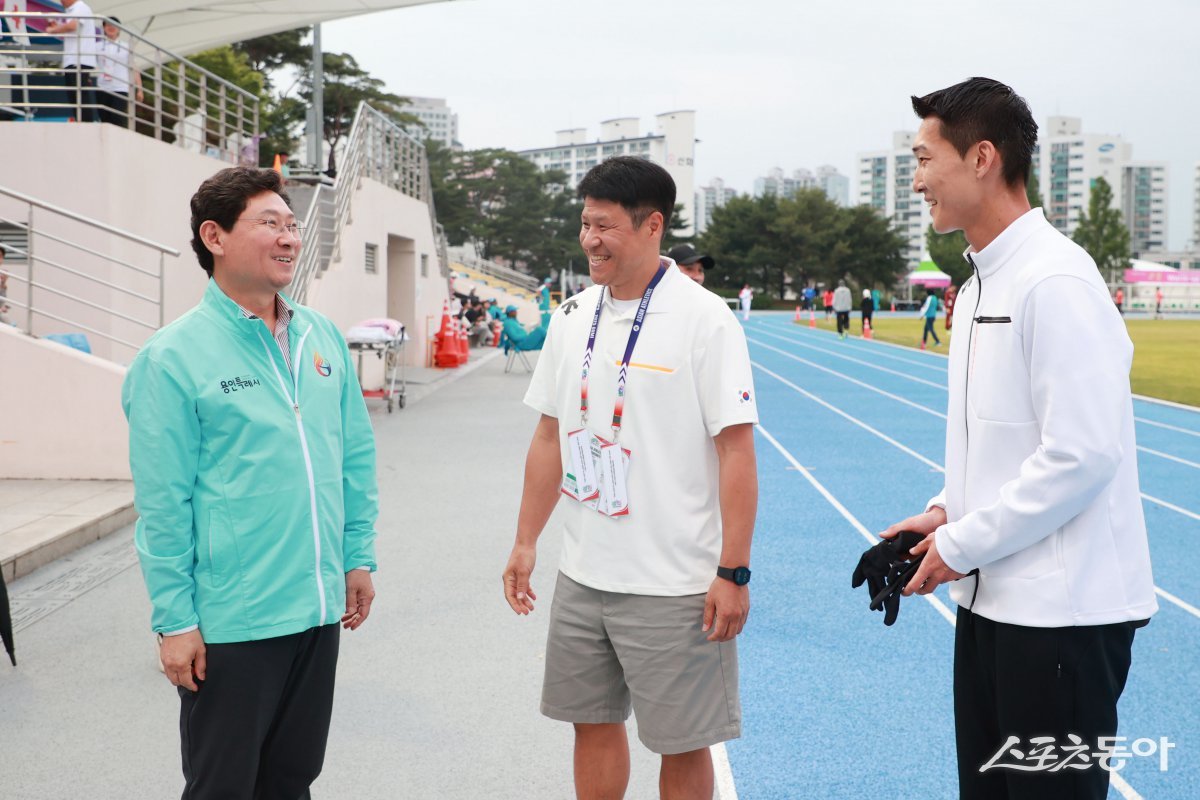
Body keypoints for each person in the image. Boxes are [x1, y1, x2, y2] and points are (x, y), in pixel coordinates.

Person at [882, 77, 1156, 800]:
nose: (915, 182)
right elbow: (999, 441)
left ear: (980, 158)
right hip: (991, 601)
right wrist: (945, 512)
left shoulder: (1055, 280)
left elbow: (1082, 453)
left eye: (922, 159)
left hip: (1060, 619)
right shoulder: (977, 287)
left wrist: (959, 545)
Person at [503, 156, 758, 800]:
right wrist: (527, 540)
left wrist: (733, 571)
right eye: (586, 223)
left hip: (673, 584)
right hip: (584, 574)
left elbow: (736, 453)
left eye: (607, 226)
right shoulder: (572, 316)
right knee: (590, 725)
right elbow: (547, 437)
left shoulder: (705, 320)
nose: (590, 239)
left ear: (652, 227)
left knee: (682, 742)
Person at [122, 167, 379, 798]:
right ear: (214, 236)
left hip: (317, 611)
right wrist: (174, 620)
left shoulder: (320, 336)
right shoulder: (172, 358)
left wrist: (357, 555)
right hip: (235, 621)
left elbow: (353, 455)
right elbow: (163, 506)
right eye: (270, 224)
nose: (289, 238)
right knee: (223, 787)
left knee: (292, 780)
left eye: (291, 225)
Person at [44, 0, 98, 122]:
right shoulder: (71, 11)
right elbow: (70, 30)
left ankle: (86, 123)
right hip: (73, 59)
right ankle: (81, 121)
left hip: (79, 59)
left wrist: (53, 30)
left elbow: (73, 26)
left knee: (79, 95)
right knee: (74, 95)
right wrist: (55, 26)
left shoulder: (80, 7)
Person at [95, 17, 143, 127]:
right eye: (107, 25)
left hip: (120, 87)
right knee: (104, 119)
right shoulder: (97, 46)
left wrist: (139, 88)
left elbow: (134, 67)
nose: (111, 28)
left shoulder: (126, 47)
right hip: (102, 87)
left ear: (119, 29)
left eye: (114, 25)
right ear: (104, 28)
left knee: (116, 118)